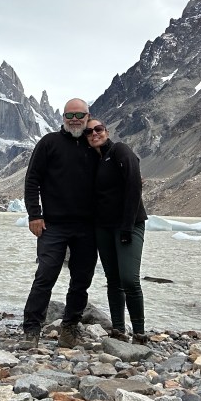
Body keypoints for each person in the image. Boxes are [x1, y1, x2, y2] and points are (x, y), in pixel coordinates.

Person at [20, 98, 100, 349]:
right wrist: (35, 215)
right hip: (53, 225)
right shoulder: (48, 143)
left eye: (80, 115)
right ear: (63, 117)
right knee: (45, 276)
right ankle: (32, 330)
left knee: (81, 279)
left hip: (88, 227)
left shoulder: (95, 145)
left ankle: (69, 328)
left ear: (88, 117)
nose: (74, 120)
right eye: (70, 115)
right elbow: (32, 180)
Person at [85, 117, 149, 344]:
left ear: (107, 131)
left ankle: (140, 332)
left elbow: (134, 185)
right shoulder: (93, 159)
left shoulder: (120, 151)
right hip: (103, 227)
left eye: (98, 129)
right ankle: (118, 329)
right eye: (89, 131)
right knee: (113, 279)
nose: (94, 133)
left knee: (129, 279)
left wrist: (127, 225)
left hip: (128, 225)